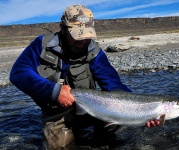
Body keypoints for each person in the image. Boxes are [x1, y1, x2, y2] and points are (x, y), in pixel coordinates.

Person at [10, 4, 160, 149]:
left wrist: (140, 111)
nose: (83, 41)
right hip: (57, 113)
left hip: (92, 107)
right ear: (63, 28)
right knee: (59, 147)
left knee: (113, 133)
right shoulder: (42, 45)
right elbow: (19, 72)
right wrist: (53, 91)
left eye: (87, 36)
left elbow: (113, 85)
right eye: (77, 36)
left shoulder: (94, 51)